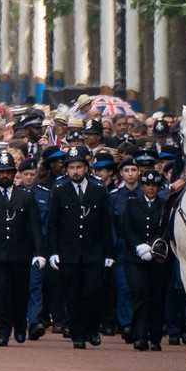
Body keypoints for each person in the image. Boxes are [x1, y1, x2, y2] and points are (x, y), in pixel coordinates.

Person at [0, 147, 44, 346]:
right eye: (1, 172)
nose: (5, 175)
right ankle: (2, 331)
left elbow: (35, 227)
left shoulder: (26, 197)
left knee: (20, 293)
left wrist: (39, 253)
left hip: (20, 253)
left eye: (8, 172)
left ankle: (20, 326)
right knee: (0, 294)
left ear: (14, 174)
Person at [45, 143, 114, 348]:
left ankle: (91, 328)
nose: (75, 171)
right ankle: (77, 334)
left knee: (93, 292)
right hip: (69, 252)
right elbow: (53, 224)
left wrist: (108, 253)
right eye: (71, 167)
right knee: (73, 294)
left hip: (94, 252)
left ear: (87, 167)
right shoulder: (59, 190)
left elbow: (106, 223)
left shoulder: (99, 189)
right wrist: (53, 252)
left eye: (79, 167)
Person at [121, 159, 171, 352]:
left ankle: (156, 337)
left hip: (159, 258)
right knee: (140, 294)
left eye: (155, 185)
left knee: (158, 297)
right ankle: (140, 336)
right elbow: (126, 228)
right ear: (142, 186)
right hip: (136, 258)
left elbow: (167, 228)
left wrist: (153, 246)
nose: (151, 188)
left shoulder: (165, 205)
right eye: (148, 185)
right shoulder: (132, 204)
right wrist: (139, 246)